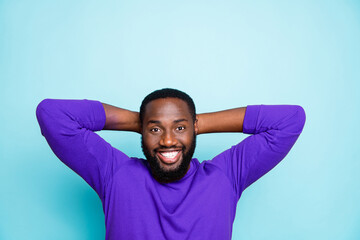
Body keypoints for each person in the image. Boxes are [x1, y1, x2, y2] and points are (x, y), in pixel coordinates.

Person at [36, 88, 306, 240]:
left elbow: (290, 119)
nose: (167, 140)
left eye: (179, 128)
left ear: (194, 128)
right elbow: (52, 114)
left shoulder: (225, 177)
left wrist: (194, 123)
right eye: (155, 130)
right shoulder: (116, 174)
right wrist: (144, 121)